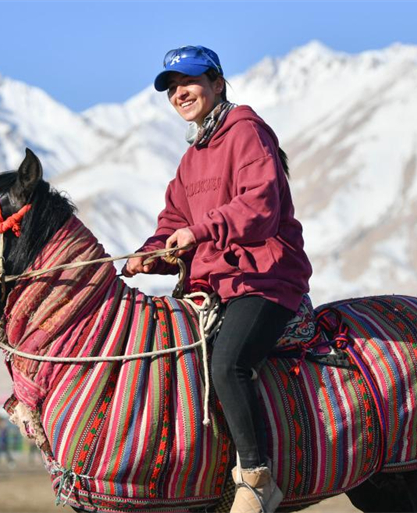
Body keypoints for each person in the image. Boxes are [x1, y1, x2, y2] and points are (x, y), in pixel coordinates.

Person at [124, 46, 312, 513]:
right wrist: (149, 257)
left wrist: (200, 231)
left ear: (217, 83)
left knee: (229, 365)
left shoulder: (246, 131)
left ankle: (256, 478)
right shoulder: (191, 160)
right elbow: (173, 225)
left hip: (263, 279)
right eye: (170, 88)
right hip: (210, 287)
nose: (178, 94)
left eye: (187, 83)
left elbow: (260, 207)